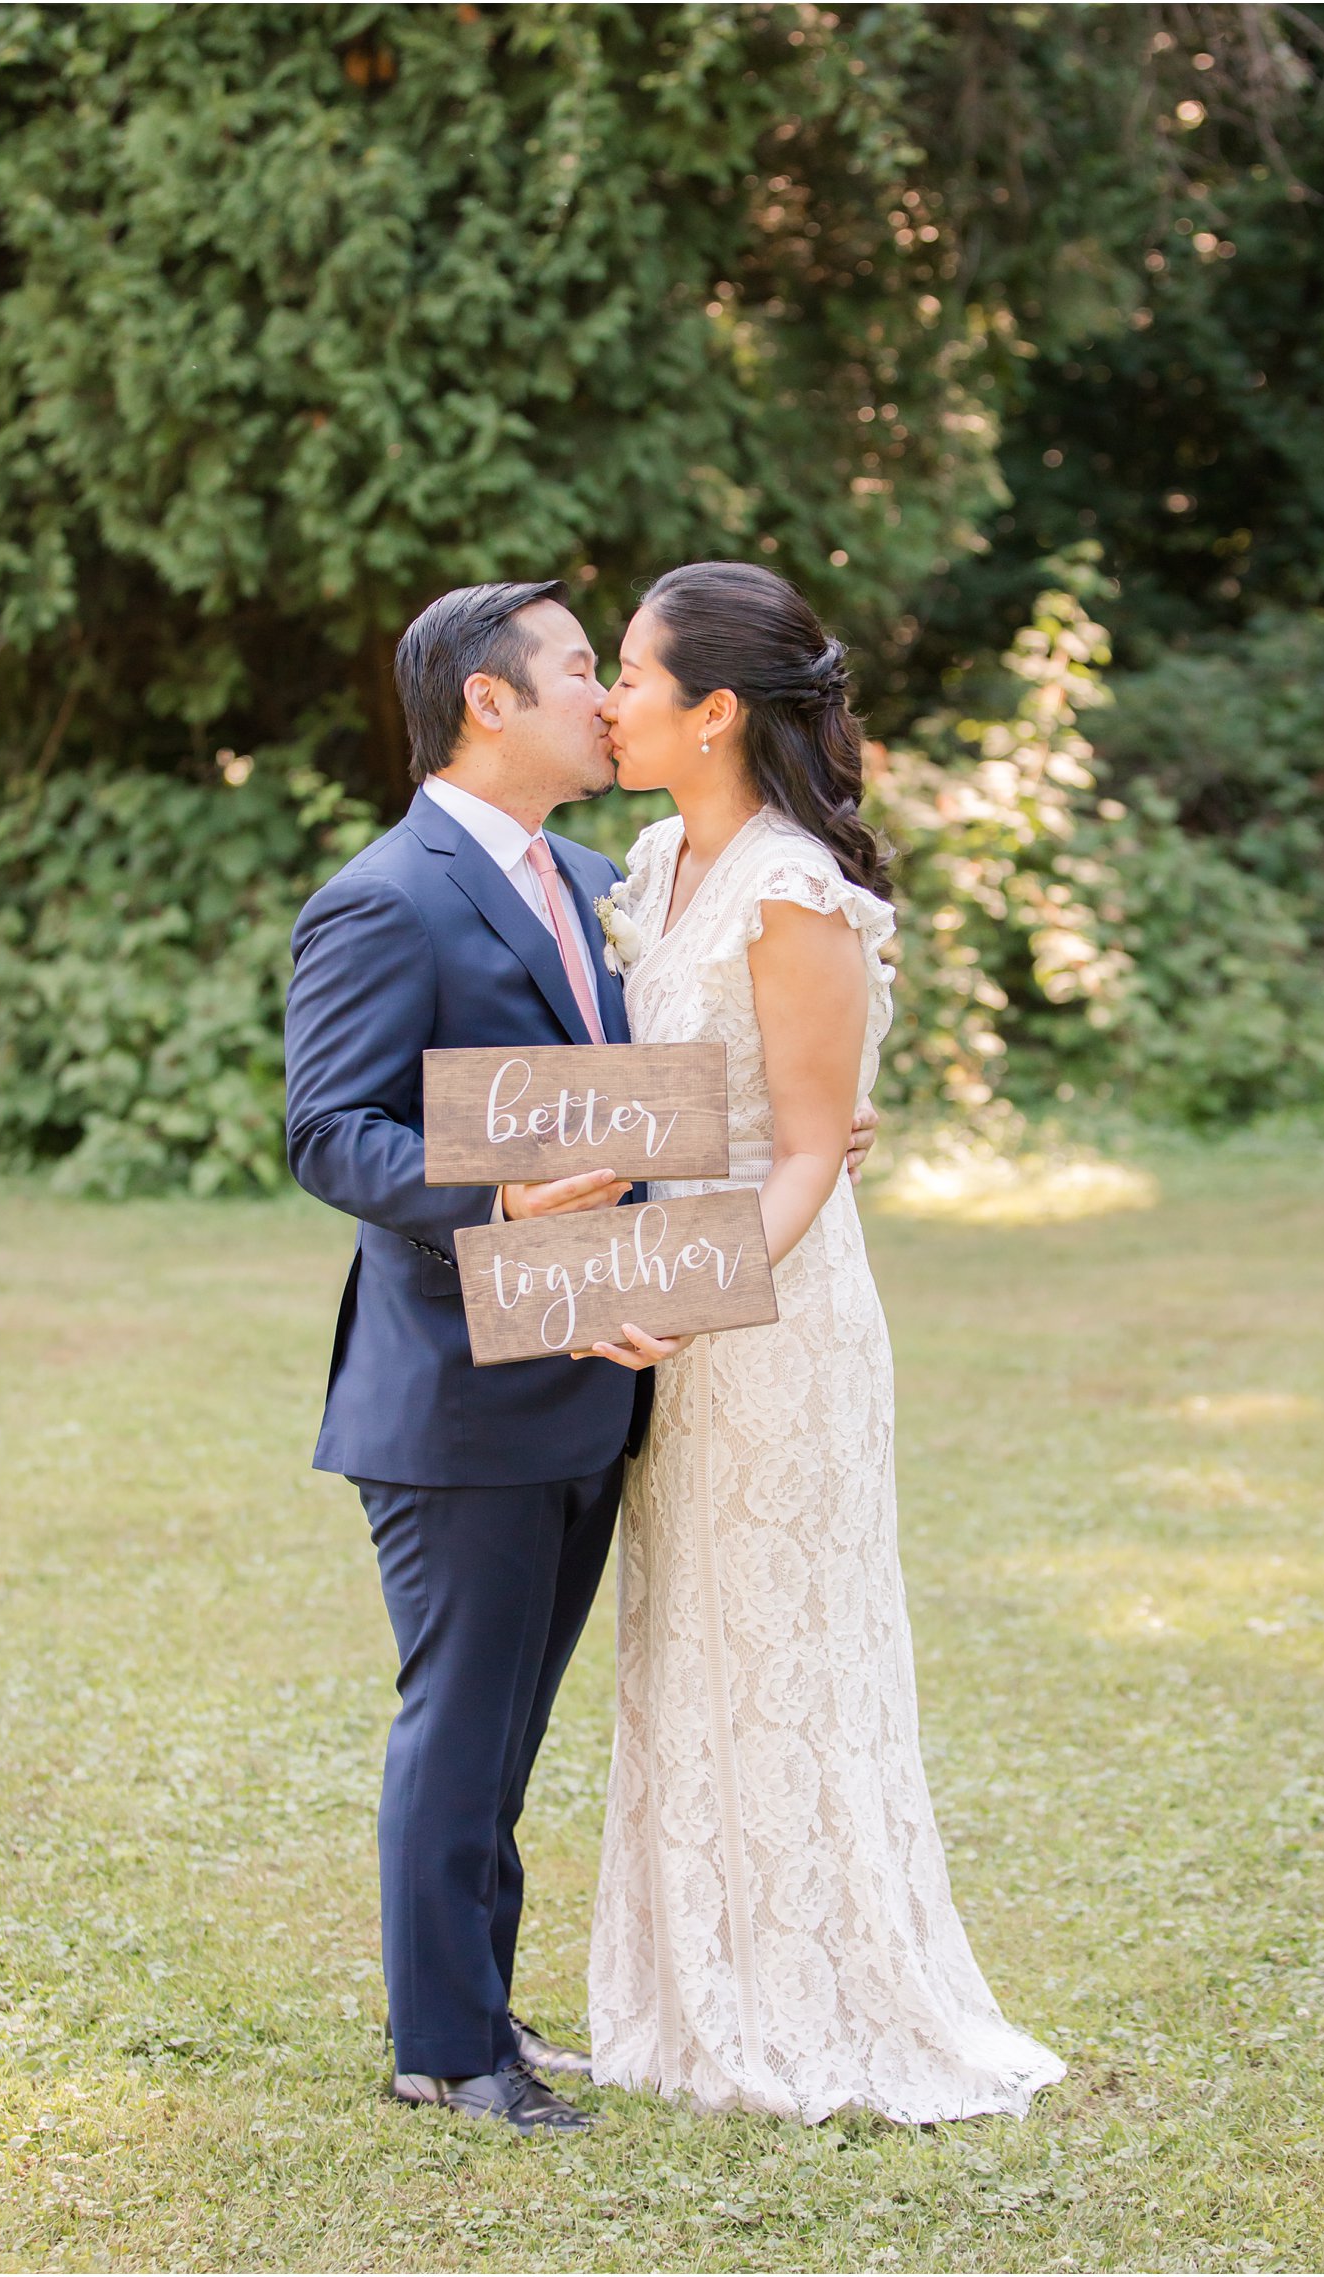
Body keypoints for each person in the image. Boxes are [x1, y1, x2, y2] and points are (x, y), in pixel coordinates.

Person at [284, 578, 876, 2134]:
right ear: (490, 701)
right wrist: (487, 1190)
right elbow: (328, 1132)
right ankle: (444, 2044)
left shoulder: (619, 876)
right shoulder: (385, 895)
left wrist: (807, 1117)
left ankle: (478, 2001)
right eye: (573, 669)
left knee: (514, 1726)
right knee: (462, 1714)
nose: (603, 699)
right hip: (456, 1389)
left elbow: (689, 1083)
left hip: (603, 1366)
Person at [585, 561, 1066, 2125]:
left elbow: (803, 1153)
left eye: (635, 678)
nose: (608, 700)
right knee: (689, 1636)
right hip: (666, 1296)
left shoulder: (794, 890)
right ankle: (692, 1990)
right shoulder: (653, 859)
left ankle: (820, 1996)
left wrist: (685, 1278)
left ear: (715, 711)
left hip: (773, 1320)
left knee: (786, 1638)